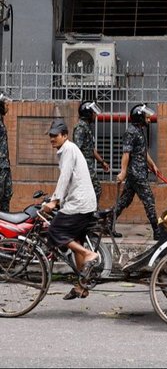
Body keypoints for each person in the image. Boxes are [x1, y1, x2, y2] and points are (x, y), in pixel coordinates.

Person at [42, 118, 100, 300]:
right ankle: (81, 286)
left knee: (54, 230)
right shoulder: (67, 149)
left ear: (65, 136)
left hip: (79, 204)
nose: (52, 139)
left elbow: (65, 177)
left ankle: (89, 254)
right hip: (83, 202)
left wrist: (54, 202)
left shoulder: (67, 149)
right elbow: (68, 181)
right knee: (76, 242)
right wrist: (55, 198)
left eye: (55, 136)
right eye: (50, 136)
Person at [115, 103, 163, 240]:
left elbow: (143, 151)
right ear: (140, 118)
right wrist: (123, 172)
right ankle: (157, 231)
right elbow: (126, 154)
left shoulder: (140, 130)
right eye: (146, 118)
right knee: (149, 200)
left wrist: (153, 165)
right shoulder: (130, 132)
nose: (149, 120)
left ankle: (107, 223)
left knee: (125, 200)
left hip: (139, 172)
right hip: (137, 174)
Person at [73, 100, 110, 204]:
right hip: (84, 166)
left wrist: (102, 162)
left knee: (93, 190)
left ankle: (88, 213)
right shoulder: (80, 127)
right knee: (96, 189)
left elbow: (91, 148)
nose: (95, 115)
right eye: (93, 113)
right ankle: (90, 212)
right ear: (88, 114)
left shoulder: (86, 127)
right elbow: (76, 149)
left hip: (88, 165)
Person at [0, 94, 12, 212]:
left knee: (6, 195)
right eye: (6, 105)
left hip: (4, 166)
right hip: (1, 166)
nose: (7, 107)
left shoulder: (1, 121)